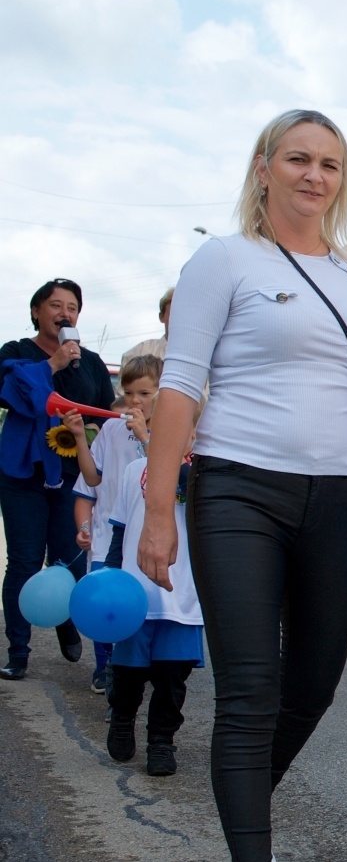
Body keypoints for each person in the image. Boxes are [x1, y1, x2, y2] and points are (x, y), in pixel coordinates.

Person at [138, 109, 347, 862]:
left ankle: (241, 803)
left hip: (337, 500)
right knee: (250, 690)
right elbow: (181, 383)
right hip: (236, 491)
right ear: (263, 167)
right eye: (297, 158)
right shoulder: (223, 259)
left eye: (329, 163)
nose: (314, 175)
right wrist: (156, 504)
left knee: (315, 683)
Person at [0, 278, 116, 680]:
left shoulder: (92, 362)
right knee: (25, 562)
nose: (65, 313)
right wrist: (54, 364)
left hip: (73, 481)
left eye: (72, 307)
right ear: (36, 311)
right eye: (55, 305)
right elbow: (17, 394)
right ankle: (18, 653)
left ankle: (71, 625)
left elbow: (107, 415)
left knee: (71, 563)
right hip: (24, 477)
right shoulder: (16, 353)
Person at [104, 417, 203, 777]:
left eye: (187, 430)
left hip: (183, 598)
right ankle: (122, 718)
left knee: (172, 678)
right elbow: (120, 530)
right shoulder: (134, 470)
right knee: (128, 672)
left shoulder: (203, 477)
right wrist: (110, 579)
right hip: (136, 594)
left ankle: (161, 740)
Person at [73, 354, 162, 694]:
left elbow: (159, 475)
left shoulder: (170, 430)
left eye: (144, 393)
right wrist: (81, 437)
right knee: (103, 602)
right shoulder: (110, 428)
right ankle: (104, 669)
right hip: (106, 534)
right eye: (128, 393)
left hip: (143, 536)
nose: (134, 401)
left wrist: (144, 435)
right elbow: (92, 479)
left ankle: (133, 671)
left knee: (139, 607)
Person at [120, 287, 172, 368]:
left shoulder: (197, 354)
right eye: (173, 314)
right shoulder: (140, 352)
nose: (178, 320)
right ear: (161, 317)